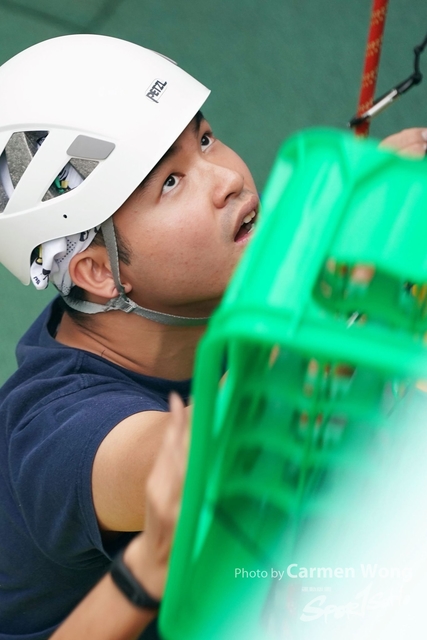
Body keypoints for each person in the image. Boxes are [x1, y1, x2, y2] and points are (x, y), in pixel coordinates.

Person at [0, 33, 426, 639]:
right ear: (98, 272)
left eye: (204, 140)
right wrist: (334, 267)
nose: (225, 177)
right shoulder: (55, 437)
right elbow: (195, 452)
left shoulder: (198, 302)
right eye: (170, 183)